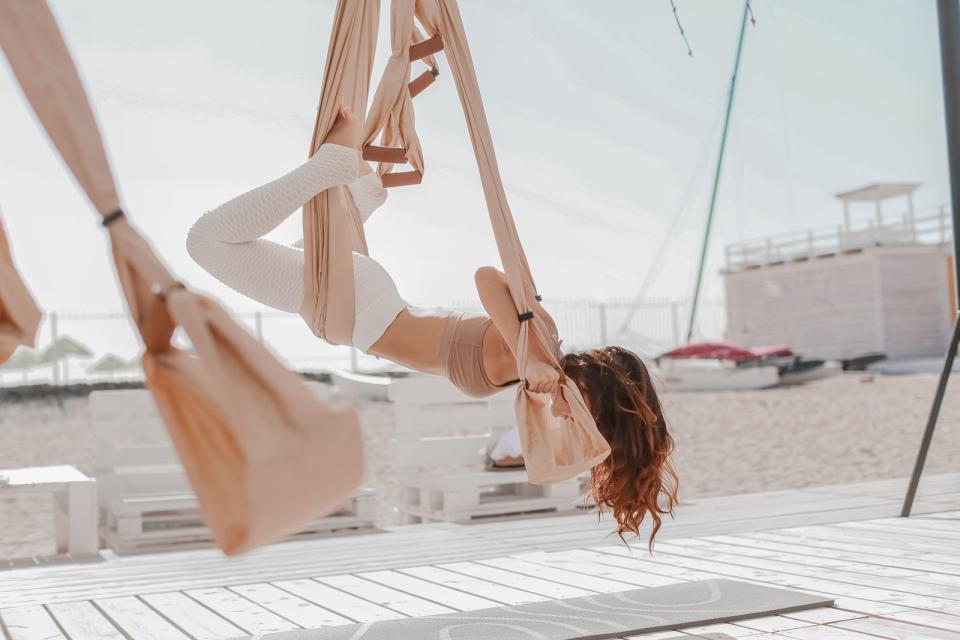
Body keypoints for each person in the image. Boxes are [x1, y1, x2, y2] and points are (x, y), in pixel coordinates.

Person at [186, 107, 678, 546]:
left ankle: (360, 199)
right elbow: (487, 278)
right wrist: (526, 351)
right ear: (596, 396)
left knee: (293, 253)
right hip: (357, 308)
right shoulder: (539, 349)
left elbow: (548, 450)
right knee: (207, 241)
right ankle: (328, 173)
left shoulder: (541, 373)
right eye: (590, 422)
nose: (571, 421)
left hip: (365, 306)